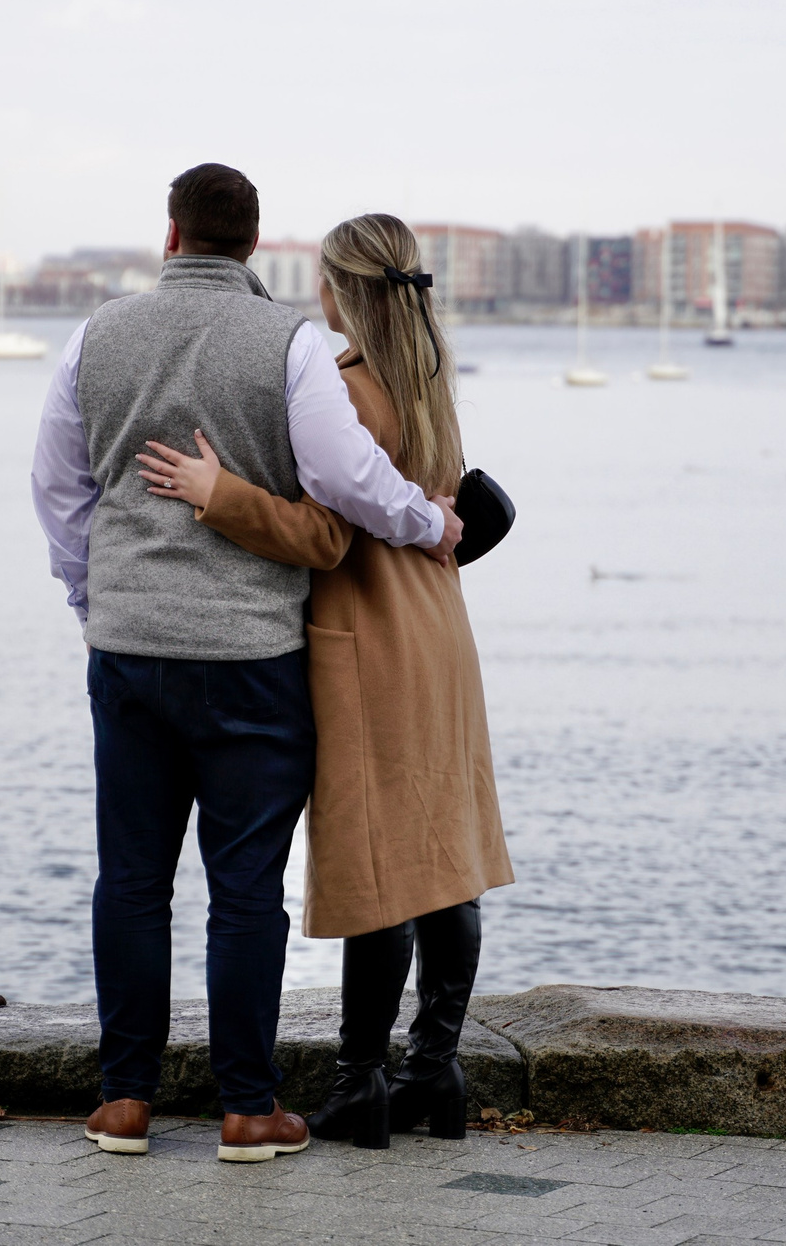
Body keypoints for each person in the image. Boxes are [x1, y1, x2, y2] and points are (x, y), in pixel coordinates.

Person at [30, 166, 465, 1165]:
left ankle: (123, 1103)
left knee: (131, 879)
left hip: (129, 651)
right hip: (251, 660)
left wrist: (94, 596)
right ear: (254, 241)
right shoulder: (290, 344)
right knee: (243, 889)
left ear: (172, 232)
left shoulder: (96, 334)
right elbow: (347, 480)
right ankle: (246, 1110)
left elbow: (57, 485)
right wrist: (427, 520)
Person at [132, 212, 514, 1150]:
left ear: (338, 289)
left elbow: (323, 535)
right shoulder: (429, 380)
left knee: (379, 860)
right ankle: (436, 1067)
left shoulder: (346, 391)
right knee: (443, 854)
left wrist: (216, 492)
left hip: (366, 636)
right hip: (439, 633)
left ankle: (362, 1081)